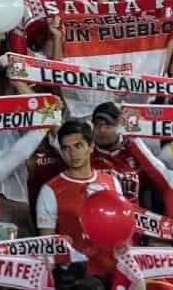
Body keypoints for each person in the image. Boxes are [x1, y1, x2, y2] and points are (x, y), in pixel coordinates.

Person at [38, 121, 123, 282]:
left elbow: (121, 231)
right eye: (66, 148)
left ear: (91, 147)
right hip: (73, 277)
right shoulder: (49, 190)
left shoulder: (112, 183)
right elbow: (46, 247)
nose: (72, 153)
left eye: (78, 146)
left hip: (109, 273)